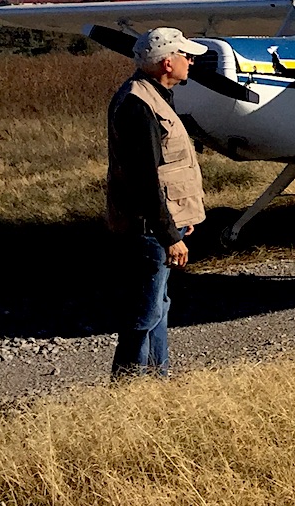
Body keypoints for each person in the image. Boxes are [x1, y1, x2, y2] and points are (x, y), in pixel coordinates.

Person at [106, 27, 208, 378]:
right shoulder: (138, 105)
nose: (190, 61)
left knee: (159, 306)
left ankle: (158, 381)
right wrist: (169, 234)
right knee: (145, 311)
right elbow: (144, 179)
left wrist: (182, 215)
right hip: (148, 227)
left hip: (161, 221)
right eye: (185, 55)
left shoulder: (155, 94)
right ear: (168, 62)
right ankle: (127, 386)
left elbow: (168, 168)